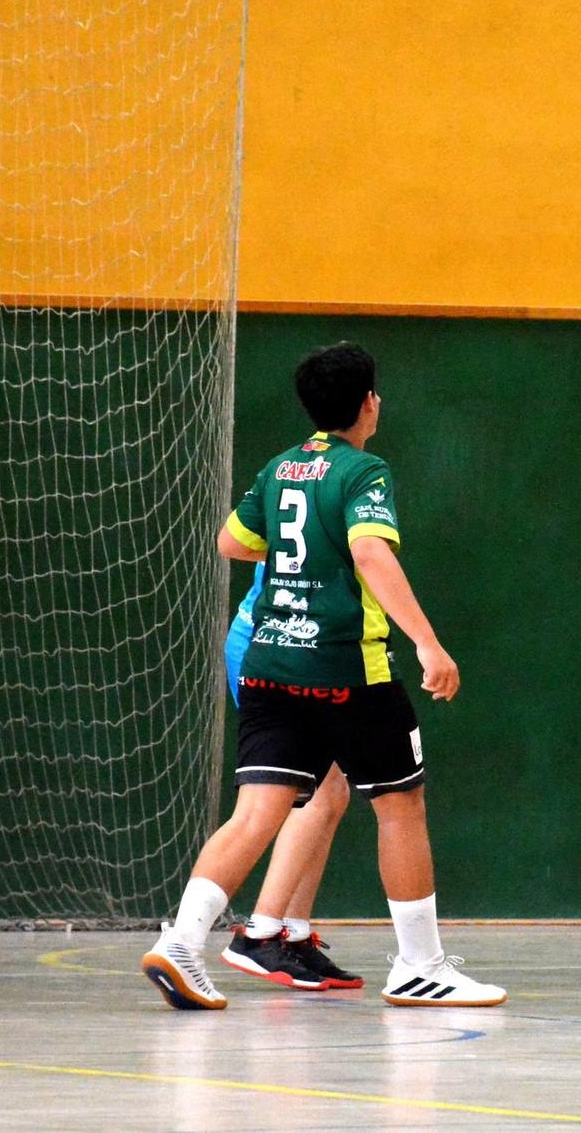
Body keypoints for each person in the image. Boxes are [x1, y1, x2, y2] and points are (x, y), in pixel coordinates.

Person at [142, 342, 504, 1009]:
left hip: (270, 663)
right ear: (369, 402)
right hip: (345, 666)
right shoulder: (363, 470)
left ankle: (183, 941)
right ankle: (420, 964)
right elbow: (370, 551)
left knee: (256, 811)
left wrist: (293, 551)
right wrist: (427, 643)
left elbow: (231, 541)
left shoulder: (282, 466)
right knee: (399, 804)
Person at [214, 562, 362, 991]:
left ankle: (291, 934)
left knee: (330, 793)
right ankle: (260, 932)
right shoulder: (339, 497)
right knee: (308, 791)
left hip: (299, 645)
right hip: (278, 648)